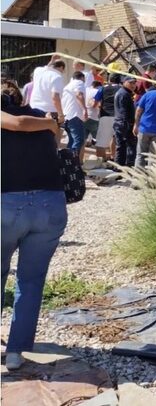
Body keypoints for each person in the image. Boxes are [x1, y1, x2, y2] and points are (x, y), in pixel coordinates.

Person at [1, 80, 66, 371]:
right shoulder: (42, 118)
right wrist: (53, 124)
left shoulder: (14, 119)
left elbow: (14, 123)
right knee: (31, 280)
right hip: (50, 204)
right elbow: (54, 145)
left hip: (7, 204)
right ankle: (16, 351)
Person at [29, 56, 66, 122]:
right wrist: (61, 115)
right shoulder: (57, 77)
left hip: (33, 108)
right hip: (49, 112)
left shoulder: (38, 70)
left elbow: (46, 69)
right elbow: (55, 97)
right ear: (61, 67)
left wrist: (51, 61)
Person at [61, 71, 88, 160]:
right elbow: (79, 95)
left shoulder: (67, 86)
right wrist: (84, 109)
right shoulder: (79, 83)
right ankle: (72, 161)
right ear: (82, 78)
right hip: (75, 116)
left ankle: (67, 162)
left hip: (67, 116)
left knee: (72, 140)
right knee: (79, 140)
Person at [94, 74, 121, 160]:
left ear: (109, 80)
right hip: (118, 116)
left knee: (100, 142)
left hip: (106, 115)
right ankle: (114, 157)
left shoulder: (103, 88)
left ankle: (102, 161)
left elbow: (96, 101)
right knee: (115, 138)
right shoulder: (122, 89)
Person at [113, 76, 138, 167]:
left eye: (134, 83)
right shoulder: (124, 94)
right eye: (130, 83)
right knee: (126, 146)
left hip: (122, 123)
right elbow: (123, 112)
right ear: (124, 82)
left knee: (123, 146)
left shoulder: (125, 93)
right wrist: (129, 124)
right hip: (124, 123)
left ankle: (121, 166)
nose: (133, 85)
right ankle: (123, 167)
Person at [85, 80, 103, 146]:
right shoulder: (98, 92)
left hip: (84, 116)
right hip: (94, 117)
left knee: (83, 136)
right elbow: (99, 105)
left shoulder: (85, 90)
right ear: (98, 86)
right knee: (97, 136)